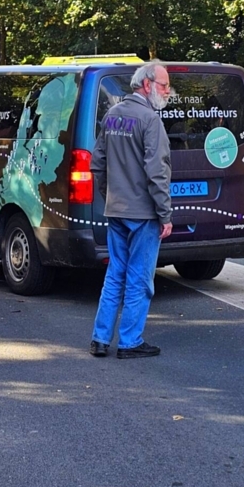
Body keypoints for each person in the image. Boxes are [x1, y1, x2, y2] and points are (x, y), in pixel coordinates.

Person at [89, 62, 173, 360]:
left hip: (117, 211)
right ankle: (129, 341)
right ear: (147, 84)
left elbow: (97, 162)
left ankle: (100, 338)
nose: (167, 92)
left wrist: (109, 196)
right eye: (164, 86)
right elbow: (157, 171)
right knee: (139, 278)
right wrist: (165, 214)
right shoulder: (150, 120)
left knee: (115, 275)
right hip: (143, 214)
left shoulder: (112, 115)